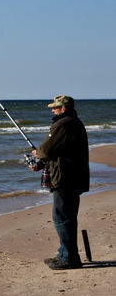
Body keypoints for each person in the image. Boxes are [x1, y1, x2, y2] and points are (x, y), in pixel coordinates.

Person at [30, 95, 89, 270]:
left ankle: (69, 258)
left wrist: (38, 154)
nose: (52, 110)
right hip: (72, 177)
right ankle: (66, 254)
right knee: (67, 217)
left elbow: (46, 150)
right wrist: (40, 163)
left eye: (55, 108)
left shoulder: (63, 125)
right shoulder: (74, 123)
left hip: (65, 178)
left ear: (63, 108)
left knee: (62, 217)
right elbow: (59, 151)